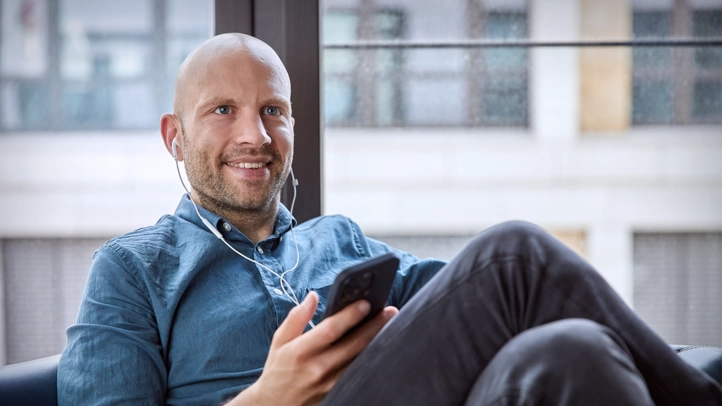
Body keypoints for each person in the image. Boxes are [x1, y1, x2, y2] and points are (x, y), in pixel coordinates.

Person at [57, 33, 722, 406]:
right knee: (514, 256)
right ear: (174, 136)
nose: (255, 135)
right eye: (222, 110)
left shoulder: (337, 239)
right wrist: (271, 397)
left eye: (274, 111)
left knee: (571, 352)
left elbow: (478, 308)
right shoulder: (133, 269)